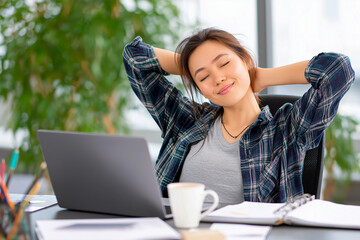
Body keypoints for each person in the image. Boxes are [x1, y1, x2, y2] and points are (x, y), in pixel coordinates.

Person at [122, 28, 355, 205]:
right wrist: (190, 67)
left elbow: (336, 71)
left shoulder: (286, 130)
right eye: (203, 78)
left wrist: (262, 76)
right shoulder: (185, 121)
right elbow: (134, 58)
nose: (218, 78)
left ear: (245, 60)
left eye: (224, 63)